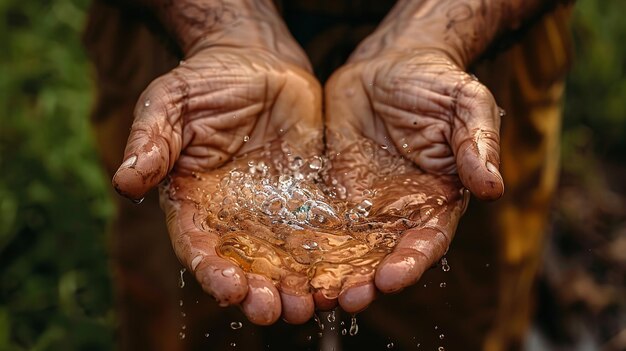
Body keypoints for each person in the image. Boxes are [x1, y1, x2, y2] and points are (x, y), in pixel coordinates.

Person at [84, 0, 572, 349]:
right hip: (188, 45)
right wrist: (223, 26)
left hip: (470, 42)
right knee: (186, 315)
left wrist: (432, 33)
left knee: (458, 314)